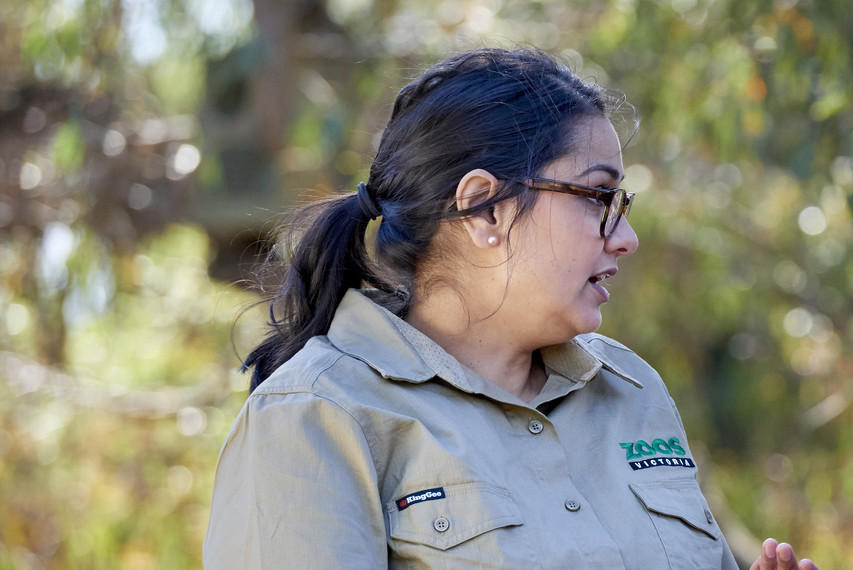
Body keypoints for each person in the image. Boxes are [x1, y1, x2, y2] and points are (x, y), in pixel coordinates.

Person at [205, 48, 814, 570]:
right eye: (599, 197)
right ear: (485, 208)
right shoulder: (316, 418)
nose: (625, 236)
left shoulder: (631, 391)